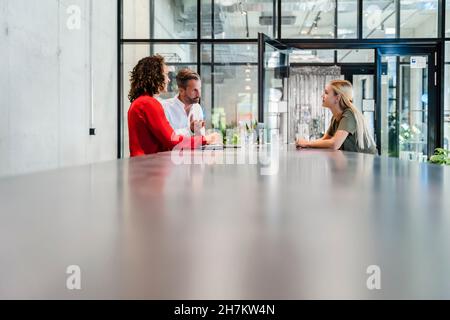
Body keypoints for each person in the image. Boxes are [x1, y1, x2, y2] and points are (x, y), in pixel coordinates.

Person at [127, 55, 220, 157]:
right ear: (156, 76)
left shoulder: (140, 102)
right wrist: (205, 139)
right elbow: (172, 141)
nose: (168, 80)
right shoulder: (149, 104)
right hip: (148, 166)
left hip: (143, 164)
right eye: (166, 74)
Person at [296, 79, 377, 155]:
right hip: (356, 162)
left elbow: (334, 144)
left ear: (337, 98)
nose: (322, 95)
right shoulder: (336, 117)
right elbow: (325, 139)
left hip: (369, 163)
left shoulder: (349, 115)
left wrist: (307, 143)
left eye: (326, 93)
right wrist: (306, 143)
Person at [162, 68, 205, 137]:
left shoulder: (197, 108)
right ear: (181, 91)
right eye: (194, 90)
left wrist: (199, 133)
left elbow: (200, 138)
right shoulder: (165, 107)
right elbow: (166, 136)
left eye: (199, 89)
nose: (199, 94)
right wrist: (190, 129)